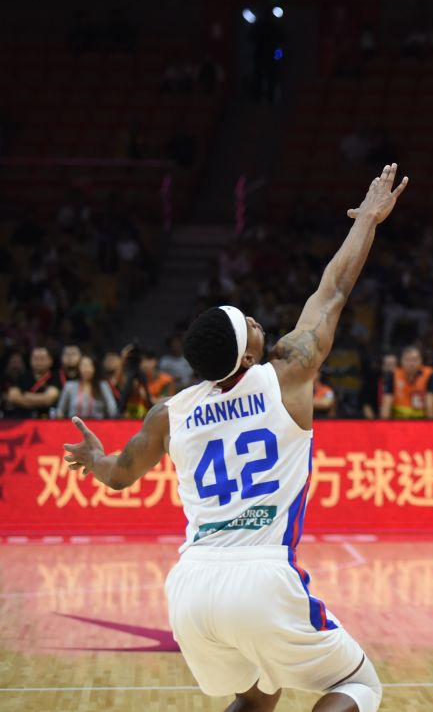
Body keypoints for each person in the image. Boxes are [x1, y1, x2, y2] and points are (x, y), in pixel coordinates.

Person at [62, 164, 408, 712]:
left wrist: (96, 457)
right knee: (359, 687)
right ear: (246, 353)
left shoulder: (169, 413)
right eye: (246, 320)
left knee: (258, 697)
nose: (255, 319)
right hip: (262, 575)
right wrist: (367, 218)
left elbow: (120, 475)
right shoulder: (287, 373)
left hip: (192, 586)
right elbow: (335, 288)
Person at [380, 346, 433, 419]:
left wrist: (432, 427)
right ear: (401, 361)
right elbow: (386, 405)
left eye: (415, 360)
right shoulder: (393, 375)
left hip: (420, 422)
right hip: (398, 422)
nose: (411, 364)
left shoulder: (429, 375)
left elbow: (430, 405)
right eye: (407, 360)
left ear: (421, 361)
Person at [4, 346, 61, 419]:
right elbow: (13, 396)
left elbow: (49, 399)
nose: (38, 362)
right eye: (35, 358)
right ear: (30, 360)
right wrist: (40, 399)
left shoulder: (56, 377)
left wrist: (26, 396)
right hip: (22, 419)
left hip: (48, 419)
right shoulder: (23, 377)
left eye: (42, 359)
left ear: (50, 360)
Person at [56, 355, 118, 419]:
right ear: (79, 368)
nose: (87, 369)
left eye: (90, 366)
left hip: (97, 426)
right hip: (73, 425)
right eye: (84, 366)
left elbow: (112, 410)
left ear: (94, 368)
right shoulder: (69, 386)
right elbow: (60, 411)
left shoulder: (103, 386)